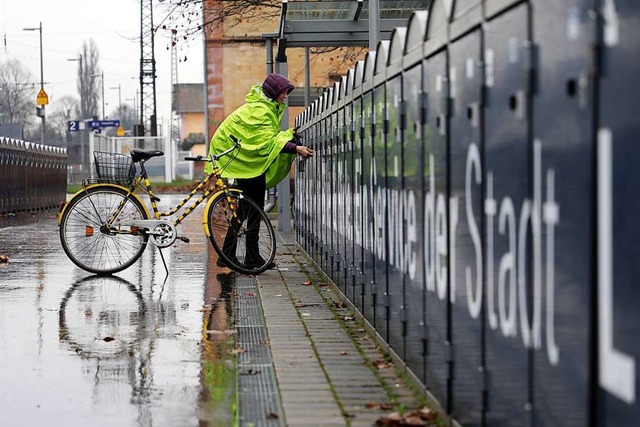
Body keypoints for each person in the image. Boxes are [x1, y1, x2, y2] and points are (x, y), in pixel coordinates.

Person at [205, 73, 314, 270]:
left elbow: (268, 137)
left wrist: (289, 135)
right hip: (242, 162)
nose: (285, 96)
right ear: (273, 92)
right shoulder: (259, 110)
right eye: (283, 92)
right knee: (250, 208)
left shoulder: (265, 107)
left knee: (249, 209)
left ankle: (244, 255)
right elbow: (265, 142)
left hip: (246, 162)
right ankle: (238, 255)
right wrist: (295, 148)